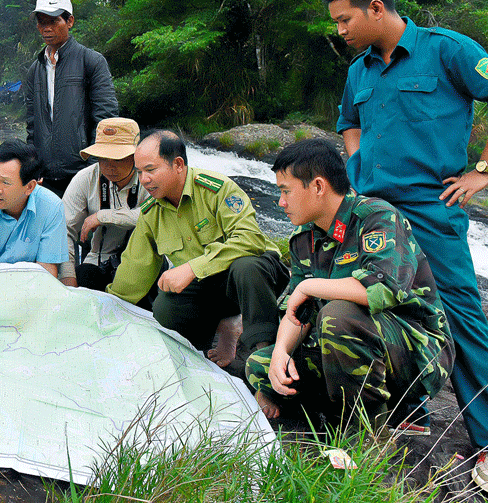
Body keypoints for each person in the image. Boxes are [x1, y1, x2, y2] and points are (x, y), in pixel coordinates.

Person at [324, 0, 488, 496]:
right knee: (375, 305)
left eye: (345, 20)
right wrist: (358, 160)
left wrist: (483, 173)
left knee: (460, 317)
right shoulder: (359, 71)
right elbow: (348, 119)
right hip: (371, 211)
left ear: (374, 9)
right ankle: (406, 412)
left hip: (431, 207)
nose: (340, 31)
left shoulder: (447, 49)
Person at [245, 139, 454, 432]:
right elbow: (297, 312)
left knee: (338, 315)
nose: (281, 202)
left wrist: (310, 287)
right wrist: (280, 352)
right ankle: (338, 408)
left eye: (285, 191)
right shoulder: (305, 237)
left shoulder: (375, 218)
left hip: (413, 349)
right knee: (259, 365)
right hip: (343, 342)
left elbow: (384, 289)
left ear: (318, 186)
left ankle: (368, 435)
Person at [106, 131, 289, 367]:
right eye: (139, 172)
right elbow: (134, 269)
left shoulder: (217, 189)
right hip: (211, 286)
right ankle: (206, 348)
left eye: (151, 170)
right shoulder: (151, 213)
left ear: (178, 164)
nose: (144, 179)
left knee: (246, 267)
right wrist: (108, 308)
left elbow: (250, 239)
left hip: (256, 279)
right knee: (165, 306)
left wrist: (192, 268)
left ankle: (265, 357)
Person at [0, 140, 67, 351]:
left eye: (5, 183)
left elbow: (47, 273)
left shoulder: (52, 208)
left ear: (30, 187)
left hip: (25, 294)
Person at [24, 0, 118, 198]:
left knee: (84, 229)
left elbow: (106, 120)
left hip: (84, 173)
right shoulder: (35, 70)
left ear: (70, 21)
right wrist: (33, 166)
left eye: (54, 20)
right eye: (41, 21)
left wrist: (95, 168)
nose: (46, 27)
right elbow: (32, 125)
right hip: (46, 176)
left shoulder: (91, 61)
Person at [60, 117, 149, 291]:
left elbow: (153, 216)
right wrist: (68, 280)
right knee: (83, 275)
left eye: (118, 159)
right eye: (103, 158)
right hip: (98, 263)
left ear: (136, 155)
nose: (109, 167)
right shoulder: (85, 178)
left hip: (144, 265)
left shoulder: (150, 178)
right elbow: (64, 230)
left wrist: (103, 216)